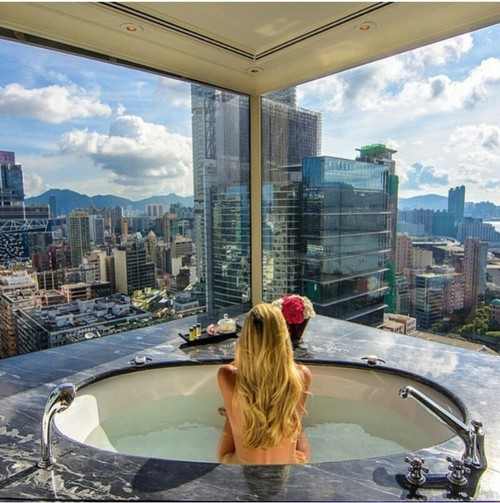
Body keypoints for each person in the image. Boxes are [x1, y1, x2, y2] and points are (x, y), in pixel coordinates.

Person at [216, 303, 312, 464]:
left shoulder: (227, 375)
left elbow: (224, 452)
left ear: (246, 338)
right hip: (288, 466)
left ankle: (236, 410)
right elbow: (296, 432)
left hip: (241, 466)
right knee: (299, 436)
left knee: (233, 421)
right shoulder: (302, 375)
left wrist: (235, 410)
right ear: (283, 337)